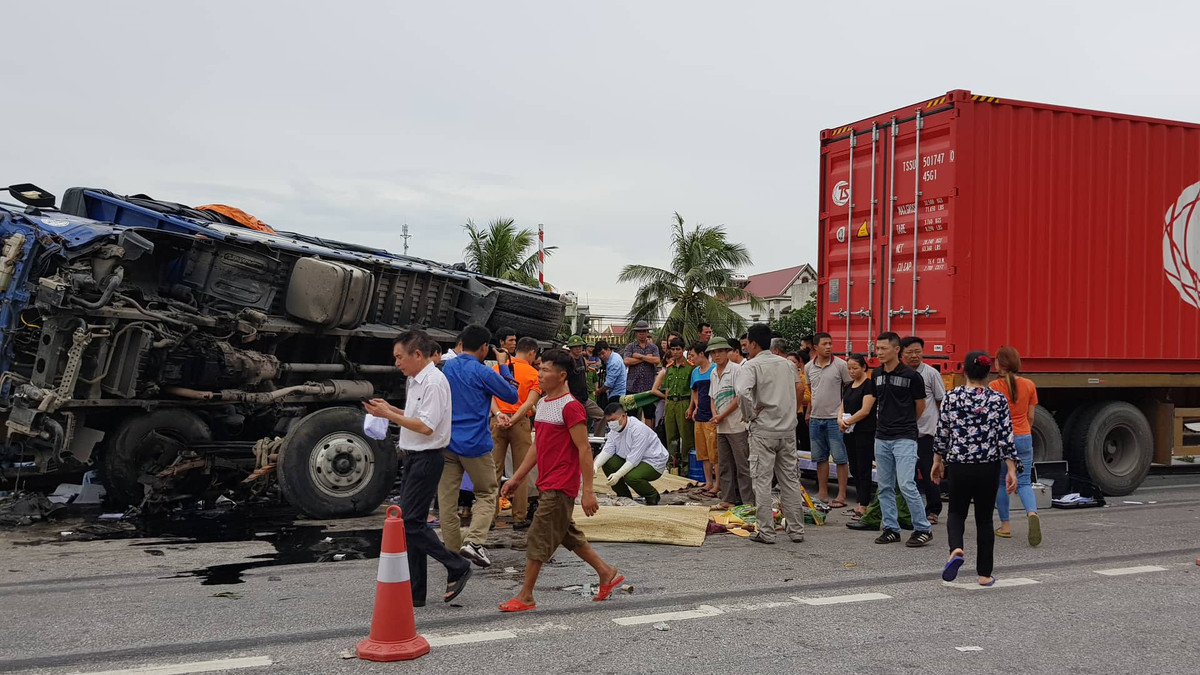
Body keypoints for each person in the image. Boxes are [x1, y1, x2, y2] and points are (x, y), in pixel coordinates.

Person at [499, 349, 624, 612]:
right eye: (540, 368)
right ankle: (605, 572)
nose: (540, 375)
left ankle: (526, 596)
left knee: (538, 535)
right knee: (568, 534)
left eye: (545, 370)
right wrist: (516, 479)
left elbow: (584, 449)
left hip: (561, 484)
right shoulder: (543, 404)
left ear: (562, 375)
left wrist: (587, 491)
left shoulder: (571, 407)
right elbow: (537, 447)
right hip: (547, 482)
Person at [363, 330, 472, 607]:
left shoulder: (434, 382)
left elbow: (426, 427)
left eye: (400, 357)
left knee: (409, 523)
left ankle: (456, 564)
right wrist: (391, 409)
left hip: (427, 457)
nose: (397, 363)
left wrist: (388, 415)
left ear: (418, 354)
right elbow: (415, 418)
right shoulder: (415, 380)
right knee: (412, 525)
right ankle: (415, 592)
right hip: (413, 456)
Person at [932, 351, 1019, 586]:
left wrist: (937, 461)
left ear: (964, 371)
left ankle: (956, 549)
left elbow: (943, 432)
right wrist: (1011, 468)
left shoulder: (951, 398)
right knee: (984, 519)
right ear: (988, 372)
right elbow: (1005, 437)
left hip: (959, 464)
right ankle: (984, 574)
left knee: (956, 512)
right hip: (988, 466)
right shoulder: (998, 399)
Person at [440, 324, 519, 568]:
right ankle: (473, 542)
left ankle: (453, 553)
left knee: (447, 501)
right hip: (475, 444)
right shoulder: (483, 372)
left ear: (461, 343)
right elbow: (512, 395)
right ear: (485, 347)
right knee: (486, 493)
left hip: (448, 443)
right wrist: (503, 364)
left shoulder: (447, 367)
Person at [735, 323, 807, 544]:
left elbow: (741, 391)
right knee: (790, 480)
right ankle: (796, 530)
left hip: (763, 430)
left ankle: (766, 531)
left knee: (762, 481)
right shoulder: (787, 364)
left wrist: (749, 415)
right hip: (787, 429)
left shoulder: (751, 366)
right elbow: (798, 387)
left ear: (753, 343)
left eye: (747, 344)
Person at [871, 331, 933, 547]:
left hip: (905, 436)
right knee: (884, 486)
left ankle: (923, 528)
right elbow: (877, 401)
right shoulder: (876, 374)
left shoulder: (912, 376)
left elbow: (921, 406)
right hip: (882, 436)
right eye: (877, 348)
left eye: (883, 348)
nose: (878, 352)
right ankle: (891, 528)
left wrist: (906, 424)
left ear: (896, 350)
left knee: (906, 484)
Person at [991, 345, 1043, 546]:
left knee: (1003, 481)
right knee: (1023, 481)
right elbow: (1031, 415)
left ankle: (1005, 526)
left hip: (1003, 439)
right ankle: (1032, 513)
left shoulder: (995, 386)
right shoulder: (1029, 385)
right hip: (1024, 436)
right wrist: (1025, 431)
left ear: (999, 364)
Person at [491, 337, 542, 530]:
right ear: (531, 353)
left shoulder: (496, 370)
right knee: (521, 470)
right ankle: (519, 517)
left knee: (494, 469)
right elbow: (530, 403)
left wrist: (499, 415)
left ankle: (490, 517)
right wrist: (514, 418)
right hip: (520, 423)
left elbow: (488, 397)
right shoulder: (533, 374)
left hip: (497, 421)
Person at [901, 336, 947, 524]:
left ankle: (933, 510)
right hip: (905, 432)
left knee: (930, 473)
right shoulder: (900, 373)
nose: (914, 355)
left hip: (928, 431)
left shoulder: (930, 373)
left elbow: (940, 400)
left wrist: (942, 428)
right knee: (908, 475)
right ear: (901, 353)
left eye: (917, 351)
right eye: (909, 352)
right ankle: (912, 510)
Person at [805, 332, 853, 508]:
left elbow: (849, 390)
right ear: (815, 347)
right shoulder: (809, 367)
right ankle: (823, 492)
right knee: (820, 457)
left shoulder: (841, 365)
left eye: (830, 344)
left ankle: (841, 494)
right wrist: (809, 412)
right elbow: (812, 391)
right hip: (817, 418)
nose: (828, 347)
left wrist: (844, 415)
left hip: (836, 419)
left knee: (840, 457)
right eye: (824, 344)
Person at [593, 402, 670, 504]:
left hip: (653, 461)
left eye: (613, 420)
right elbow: (607, 450)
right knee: (608, 463)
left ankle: (652, 496)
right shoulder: (614, 431)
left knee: (631, 477)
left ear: (624, 416)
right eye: (608, 421)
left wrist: (618, 474)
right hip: (629, 457)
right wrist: (595, 466)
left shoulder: (638, 429)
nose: (610, 424)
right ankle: (624, 496)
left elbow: (634, 459)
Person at [708, 338, 752, 508]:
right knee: (725, 464)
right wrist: (715, 415)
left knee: (742, 465)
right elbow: (712, 397)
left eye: (719, 351)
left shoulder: (736, 370)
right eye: (713, 352)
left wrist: (722, 415)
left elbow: (738, 397)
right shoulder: (713, 372)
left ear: (727, 352)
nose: (716, 355)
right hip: (721, 426)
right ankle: (728, 499)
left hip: (737, 425)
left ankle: (748, 501)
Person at [838, 354, 877, 518]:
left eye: (855, 368)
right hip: (849, 432)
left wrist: (848, 421)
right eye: (849, 368)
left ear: (864, 367)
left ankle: (864, 505)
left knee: (863, 467)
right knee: (854, 467)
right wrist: (839, 419)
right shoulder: (848, 386)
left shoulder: (869, 385)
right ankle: (860, 502)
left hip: (864, 431)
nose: (852, 371)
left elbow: (865, 410)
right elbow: (842, 406)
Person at [653, 337, 694, 473]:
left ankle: (687, 467)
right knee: (671, 436)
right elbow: (667, 390)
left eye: (678, 349)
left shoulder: (690, 367)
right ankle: (673, 466)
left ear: (683, 350)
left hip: (684, 402)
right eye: (673, 349)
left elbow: (693, 390)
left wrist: (691, 407)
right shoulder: (669, 369)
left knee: (686, 436)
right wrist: (666, 408)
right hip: (670, 403)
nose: (675, 352)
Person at [687, 341, 718, 496]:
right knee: (703, 452)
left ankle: (717, 484)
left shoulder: (714, 369)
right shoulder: (695, 372)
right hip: (699, 416)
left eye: (692, 355)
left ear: (701, 354)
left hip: (712, 416)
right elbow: (694, 391)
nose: (691, 358)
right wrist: (695, 406)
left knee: (715, 453)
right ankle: (708, 482)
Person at [622, 320, 662, 421]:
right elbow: (626, 361)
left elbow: (657, 360)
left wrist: (639, 356)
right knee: (631, 416)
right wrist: (647, 358)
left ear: (647, 332)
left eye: (644, 331)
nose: (641, 333)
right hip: (633, 386)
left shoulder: (653, 347)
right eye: (639, 331)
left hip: (649, 387)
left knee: (649, 415)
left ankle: (649, 436)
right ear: (636, 333)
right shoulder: (630, 346)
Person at [566, 335, 605, 432]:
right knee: (576, 423)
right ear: (570, 348)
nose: (578, 348)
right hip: (572, 400)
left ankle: (596, 443)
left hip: (584, 398)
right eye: (575, 347)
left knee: (601, 415)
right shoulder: (567, 362)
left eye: (580, 346)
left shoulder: (582, 359)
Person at [784, 351, 812, 457]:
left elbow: (809, 396)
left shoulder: (802, 378)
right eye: (788, 361)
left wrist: (795, 396)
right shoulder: (782, 379)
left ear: (799, 364)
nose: (791, 364)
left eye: (794, 362)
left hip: (798, 413)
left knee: (803, 441)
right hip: (785, 414)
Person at [593, 340, 626, 409]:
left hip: (617, 395)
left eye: (603, 353)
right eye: (599, 355)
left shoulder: (614, 362)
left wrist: (598, 391)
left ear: (608, 350)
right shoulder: (614, 356)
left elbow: (609, 384)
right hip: (614, 393)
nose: (601, 356)